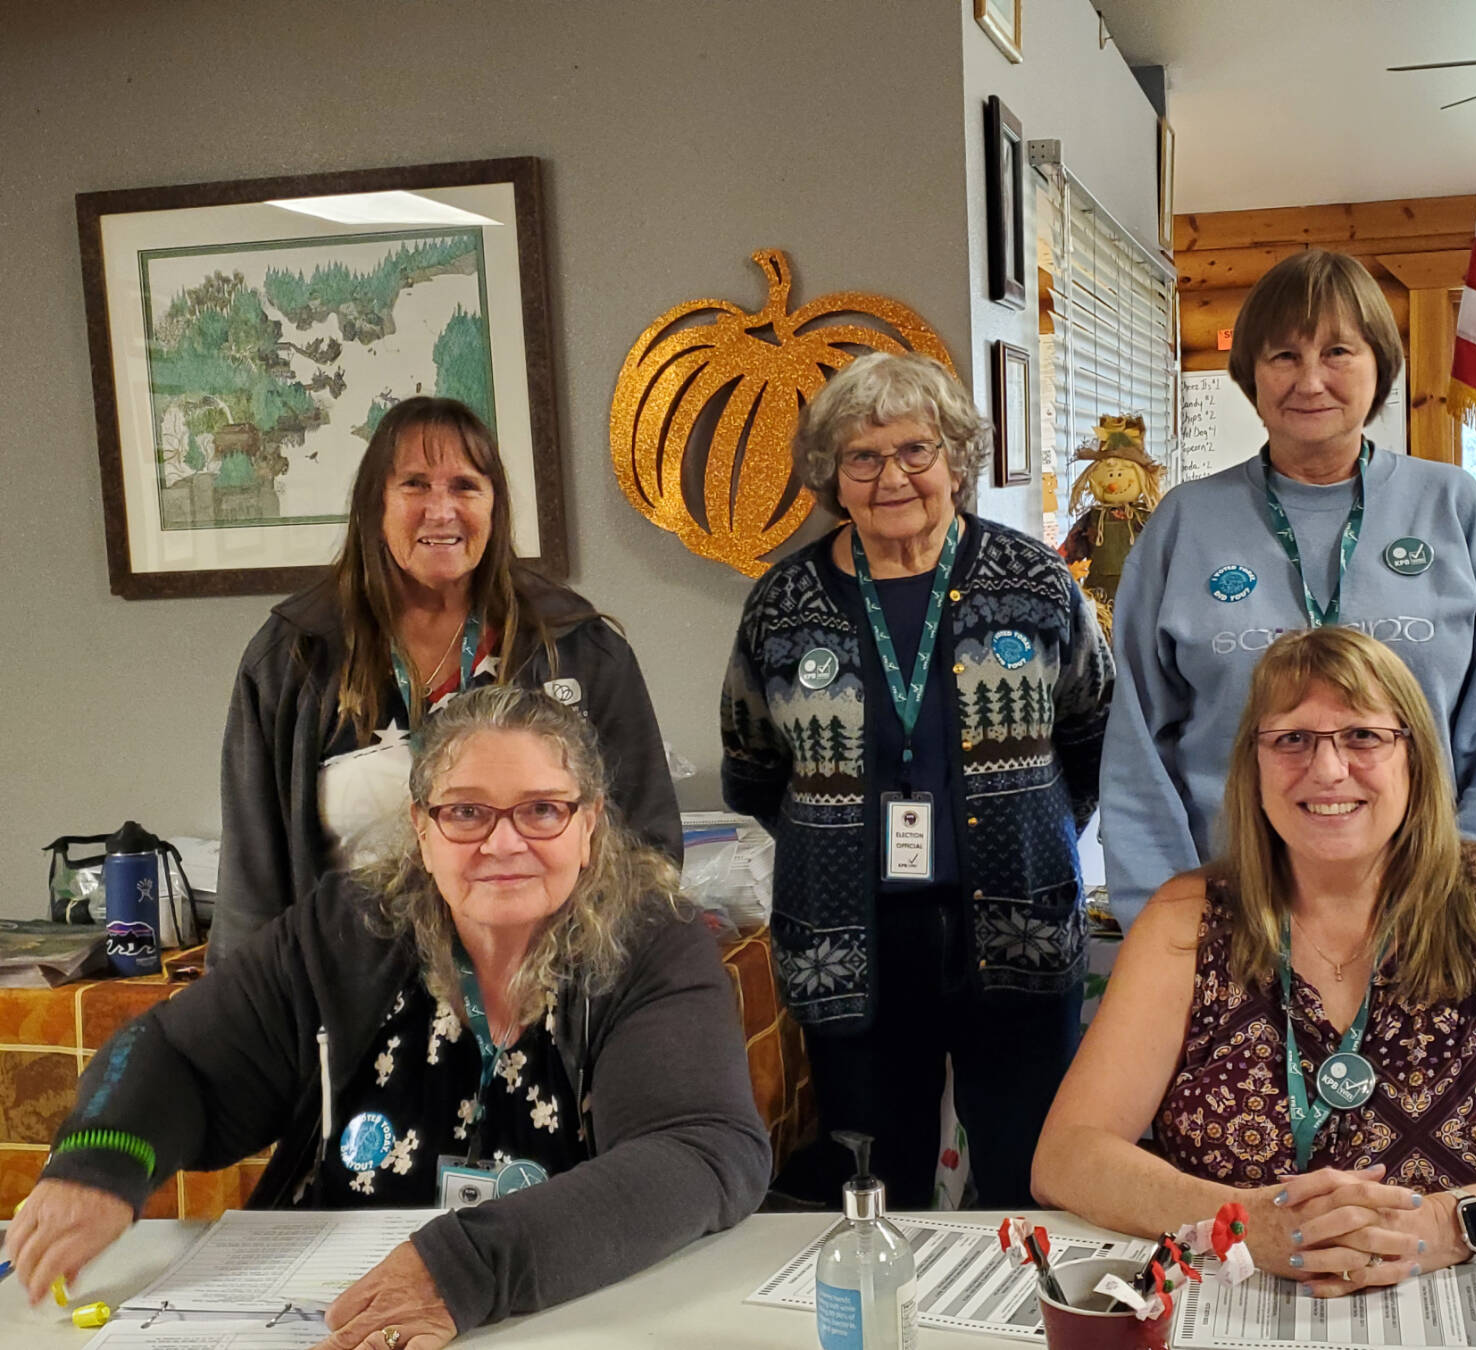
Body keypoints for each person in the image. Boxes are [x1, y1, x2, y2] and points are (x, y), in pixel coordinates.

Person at [5, 687, 770, 1346]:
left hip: (561, 1316)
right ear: (422, 827)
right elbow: (178, 1055)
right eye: (466, 812)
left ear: (590, 823)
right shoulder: (349, 928)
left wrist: (465, 1270)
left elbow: (701, 1151)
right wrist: (100, 1162)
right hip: (328, 1317)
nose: (505, 843)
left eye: (542, 810)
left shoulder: (650, 941)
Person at [1033, 627, 1476, 1295]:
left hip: (1460, 1309)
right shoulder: (1187, 918)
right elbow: (1069, 1156)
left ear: (1414, 758)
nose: (1329, 770)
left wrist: (1440, 1227)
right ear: (1253, 769)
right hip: (1236, 1313)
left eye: (1363, 737)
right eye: (1292, 740)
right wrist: (1242, 1222)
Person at [720, 351, 1113, 1208]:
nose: (891, 476)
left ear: (956, 461)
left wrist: (1031, 825)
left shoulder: (1036, 582)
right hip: (847, 938)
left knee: (1032, 1170)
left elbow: (1091, 735)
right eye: (862, 457)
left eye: (915, 451)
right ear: (832, 474)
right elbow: (751, 767)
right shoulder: (784, 603)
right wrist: (838, 838)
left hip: (1019, 922)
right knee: (873, 1179)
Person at [1100, 250, 1476, 926]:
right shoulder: (1184, 525)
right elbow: (1136, 744)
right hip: (1233, 911)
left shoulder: (1451, 509)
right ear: (1250, 373)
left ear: (1380, 367)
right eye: (1283, 356)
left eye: (1338, 351)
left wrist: (1474, 895)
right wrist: (1165, 921)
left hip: (1426, 912)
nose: (1310, 381)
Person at [213, 396, 682, 962]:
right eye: (414, 484)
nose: (442, 511)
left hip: (544, 988)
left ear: (495, 507)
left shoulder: (577, 647)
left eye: (464, 486)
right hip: (350, 991)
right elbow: (251, 882)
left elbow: (647, 852)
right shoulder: (296, 654)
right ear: (375, 506)